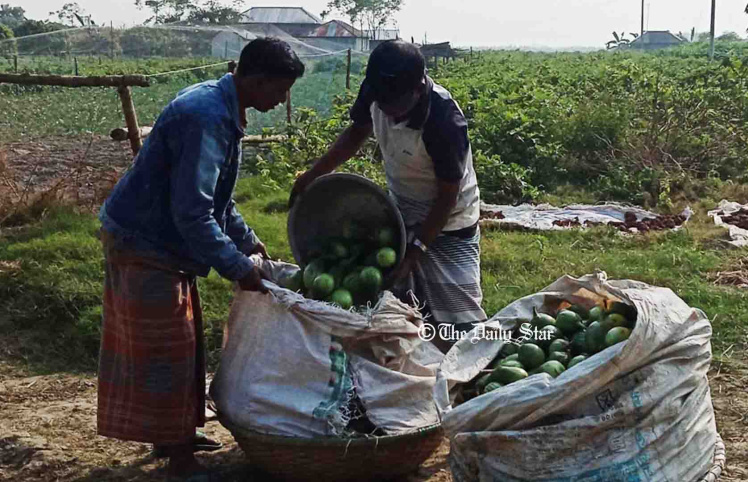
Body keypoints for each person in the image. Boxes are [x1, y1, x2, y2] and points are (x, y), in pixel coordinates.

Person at [96, 38, 304, 481]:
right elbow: (192, 213)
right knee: (166, 351)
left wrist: (247, 241)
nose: (282, 99)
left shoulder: (224, 107)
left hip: (161, 241)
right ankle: (180, 461)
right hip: (143, 240)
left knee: (180, 345)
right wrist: (238, 267)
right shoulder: (206, 117)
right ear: (257, 80)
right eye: (281, 89)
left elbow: (217, 198)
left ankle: (176, 436)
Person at [289, 39, 486, 351]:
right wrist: (312, 175)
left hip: (450, 217)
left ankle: (466, 365)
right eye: (381, 102)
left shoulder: (443, 120)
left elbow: (448, 195)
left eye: (395, 104)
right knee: (403, 303)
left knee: (460, 317)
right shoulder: (377, 90)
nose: (387, 112)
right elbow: (356, 133)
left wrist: (417, 249)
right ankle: (414, 359)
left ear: (418, 88)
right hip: (403, 205)